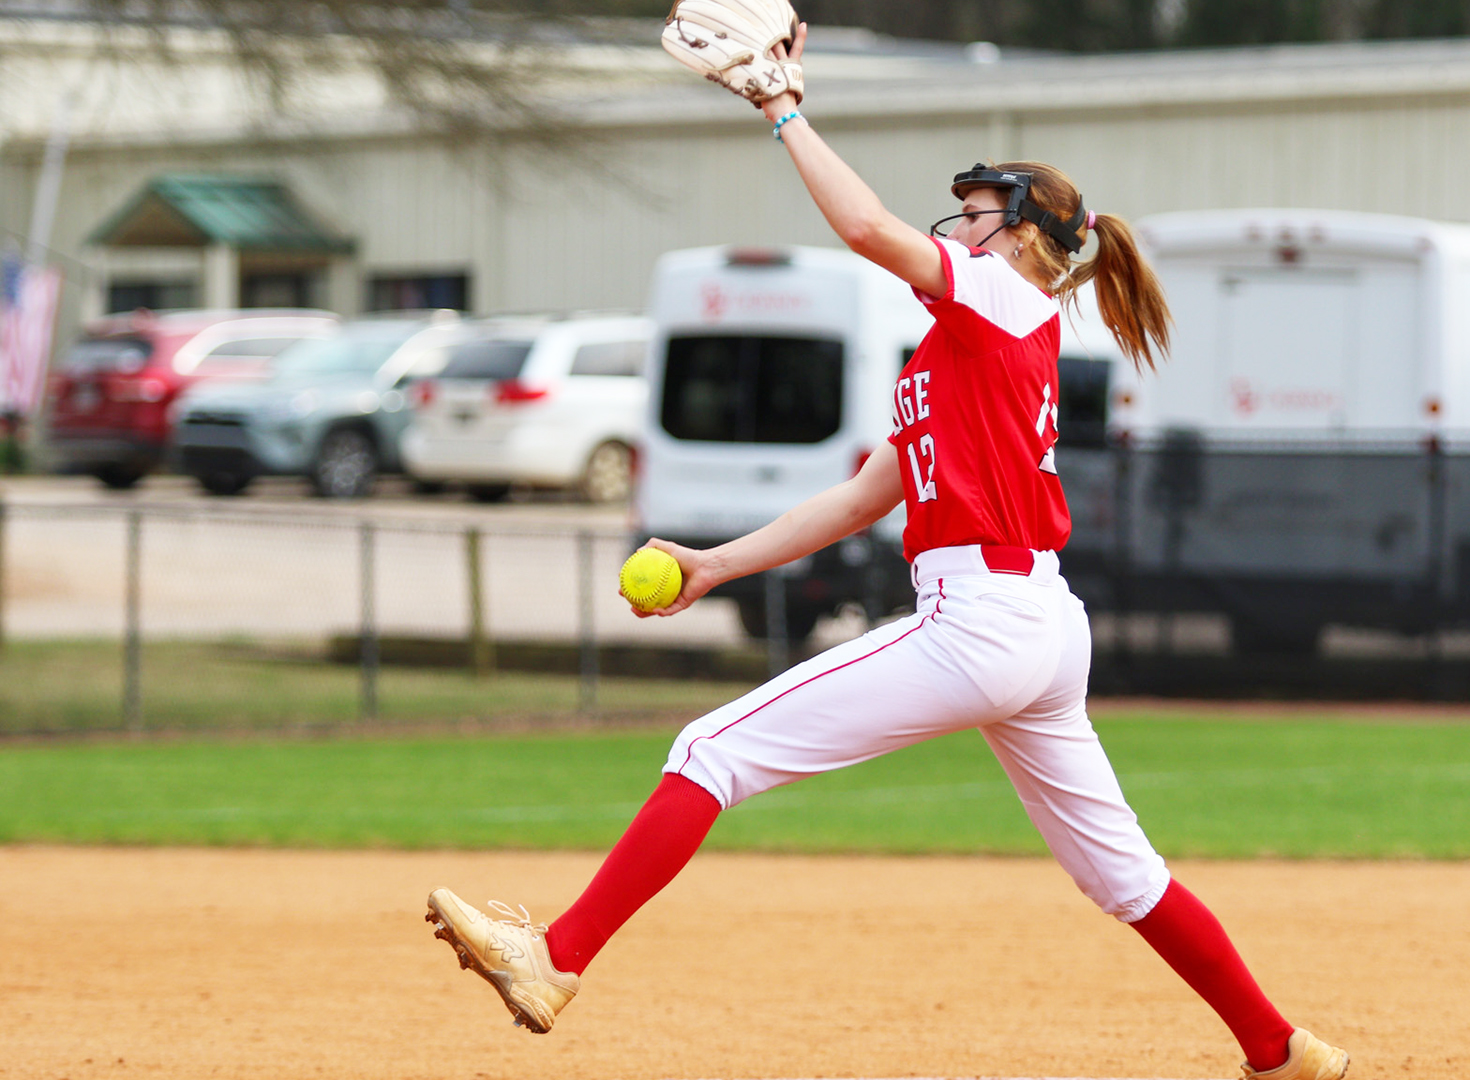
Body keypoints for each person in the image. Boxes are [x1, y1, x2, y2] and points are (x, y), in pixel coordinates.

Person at [426, 24, 1349, 1080]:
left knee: (710, 750)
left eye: (977, 214)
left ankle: (556, 956)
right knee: (1126, 879)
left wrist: (782, 111)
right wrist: (717, 565)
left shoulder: (1006, 297)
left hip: (984, 621)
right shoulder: (961, 344)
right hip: (1037, 627)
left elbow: (863, 225)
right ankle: (1282, 1049)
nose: (958, 226)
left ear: (1030, 239)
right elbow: (867, 494)